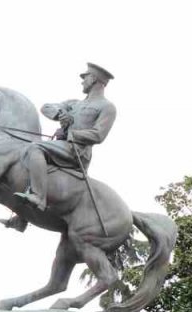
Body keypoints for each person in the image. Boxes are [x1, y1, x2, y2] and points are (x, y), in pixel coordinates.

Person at [14, 62, 117, 214]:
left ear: (94, 79)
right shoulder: (74, 104)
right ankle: (22, 217)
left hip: (78, 151)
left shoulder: (107, 107)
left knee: (35, 148)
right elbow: (46, 107)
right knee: (32, 163)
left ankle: (39, 198)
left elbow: (99, 135)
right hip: (62, 147)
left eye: (85, 77)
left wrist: (71, 134)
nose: (82, 80)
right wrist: (59, 114)